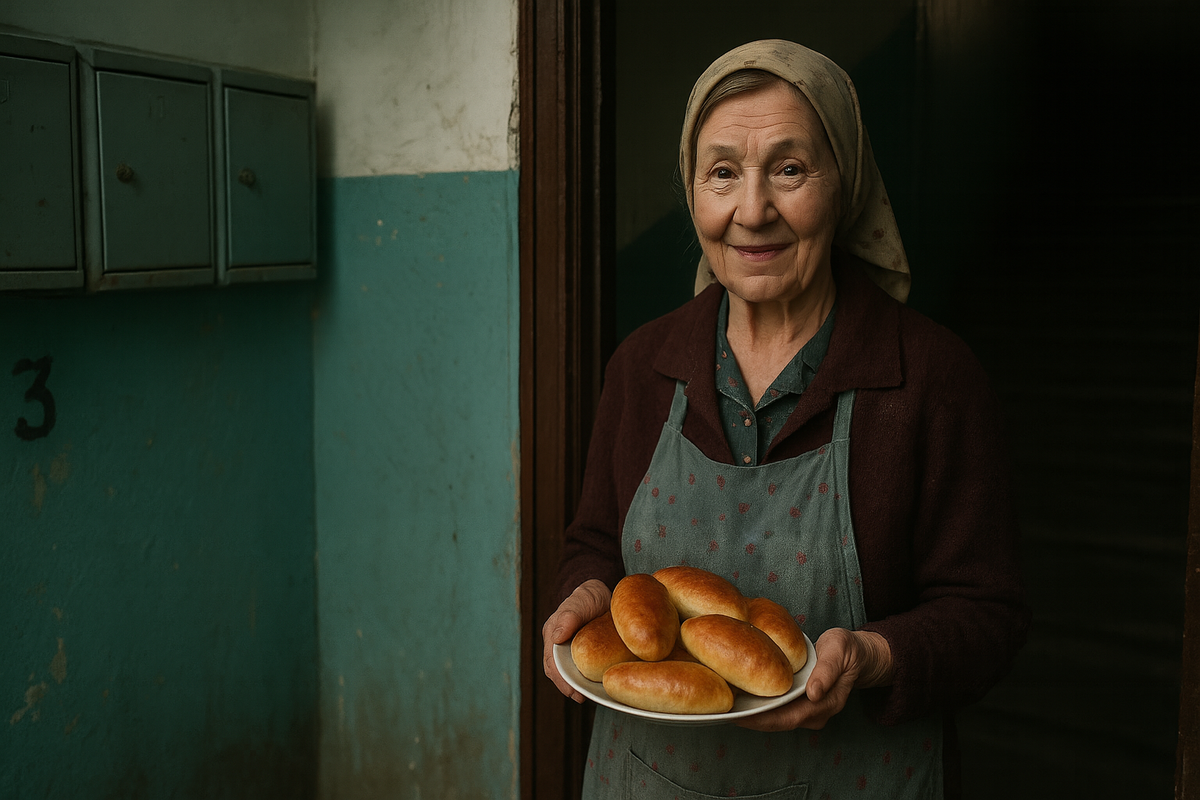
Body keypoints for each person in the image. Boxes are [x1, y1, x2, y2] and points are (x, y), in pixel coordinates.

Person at [542, 39, 1029, 799]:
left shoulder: (931, 379)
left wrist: (875, 657)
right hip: (648, 779)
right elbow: (596, 544)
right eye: (723, 172)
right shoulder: (641, 367)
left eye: (790, 169)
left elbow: (987, 617)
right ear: (693, 189)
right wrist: (582, 594)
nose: (753, 210)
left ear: (846, 184)